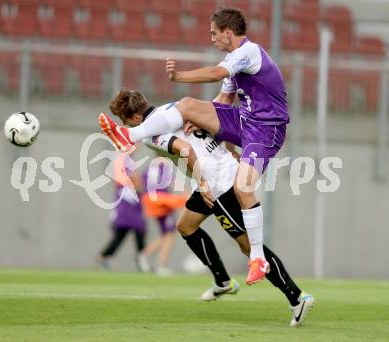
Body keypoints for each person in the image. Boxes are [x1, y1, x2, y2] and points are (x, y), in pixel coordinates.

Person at [99, 7, 289, 285]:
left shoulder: (248, 53)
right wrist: (201, 121)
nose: (211, 38)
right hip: (244, 122)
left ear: (228, 31)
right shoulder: (233, 62)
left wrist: (179, 77)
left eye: (214, 33)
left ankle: (258, 259)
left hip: (266, 128)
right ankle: (131, 134)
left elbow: (214, 73)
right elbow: (222, 101)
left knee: (243, 187)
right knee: (188, 105)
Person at [107, 88, 315, 327]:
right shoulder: (172, 109)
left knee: (249, 246)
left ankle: (297, 297)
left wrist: (205, 184)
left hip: (218, 185)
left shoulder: (151, 134)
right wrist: (230, 151)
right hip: (214, 176)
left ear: (134, 118)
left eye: (124, 121)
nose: (127, 127)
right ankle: (223, 281)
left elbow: (185, 150)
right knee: (185, 226)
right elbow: (216, 120)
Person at [97, 152, 151, 273]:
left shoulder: (127, 160)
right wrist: (135, 180)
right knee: (128, 232)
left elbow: (137, 182)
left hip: (132, 200)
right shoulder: (123, 159)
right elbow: (127, 178)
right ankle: (104, 257)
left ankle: (105, 257)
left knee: (131, 233)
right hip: (127, 202)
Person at [140, 159, 187, 275]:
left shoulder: (149, 167)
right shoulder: (164, 167)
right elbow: (171, 182)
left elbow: (142, 183)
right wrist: (185, 194)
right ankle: (158, 263)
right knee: (169, 235)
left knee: (167, 234)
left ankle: (145, 255)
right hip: (162, 202)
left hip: (151, 200)